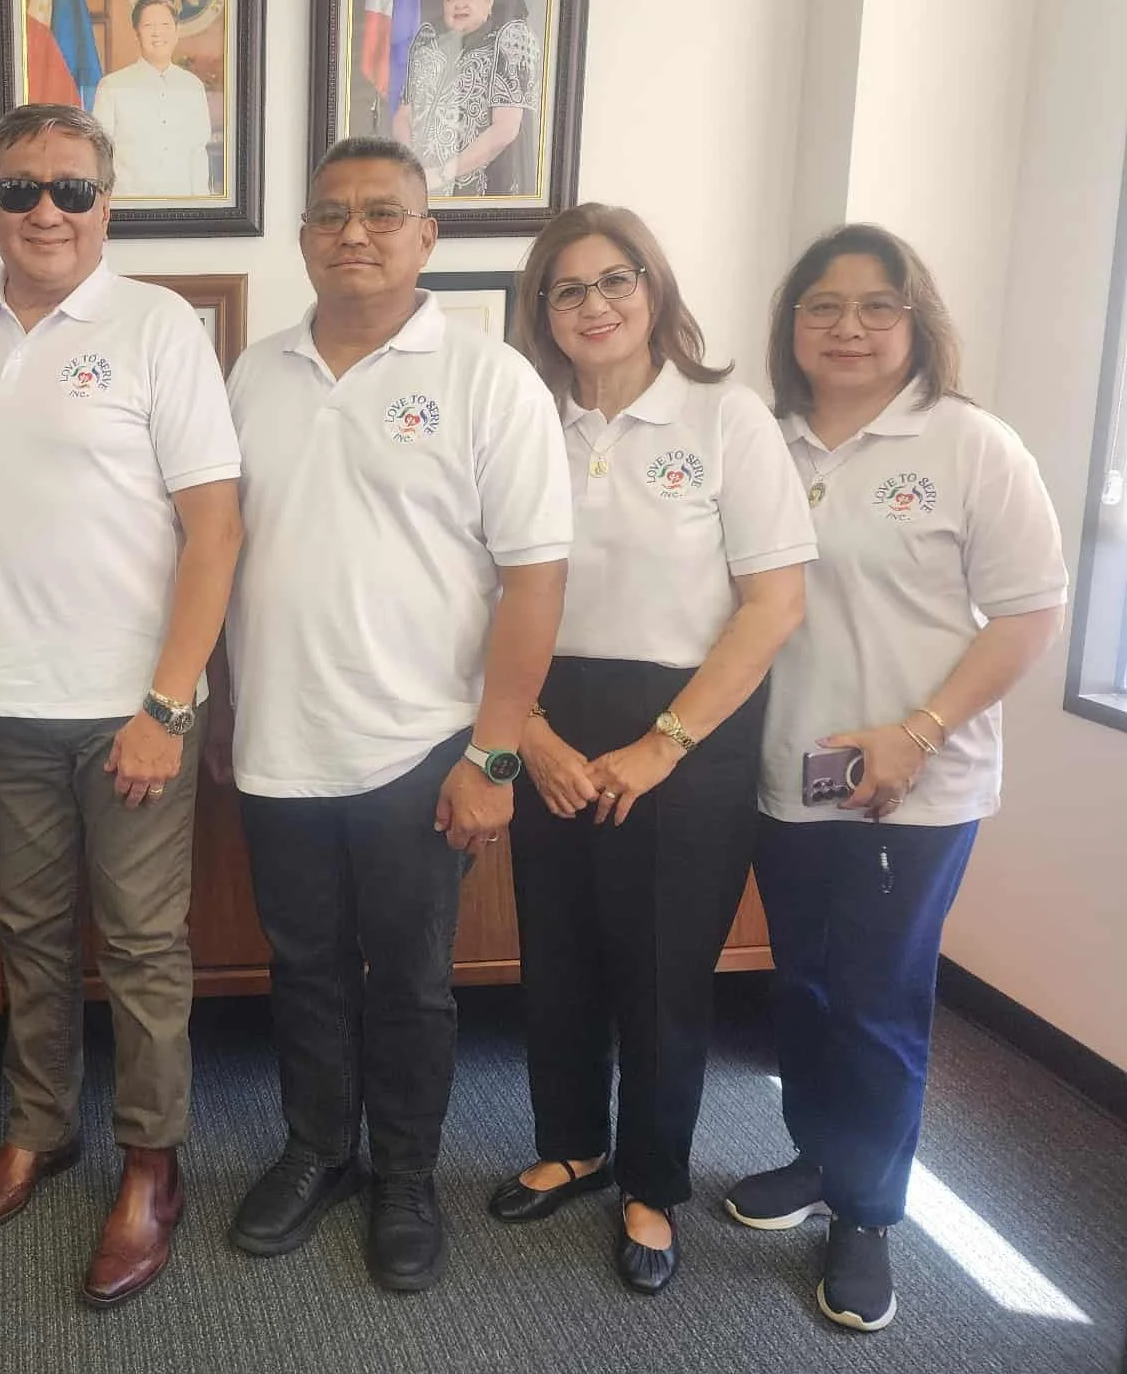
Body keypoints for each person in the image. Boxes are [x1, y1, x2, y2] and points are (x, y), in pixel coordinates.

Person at [217, 136, 570, 1294]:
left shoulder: (486, 377)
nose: (352, 233)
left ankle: (406, 1175)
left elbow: (533, 578)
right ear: (302, 237)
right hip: (278, 742)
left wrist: (493, 754)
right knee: (303, 967)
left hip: (420, 748)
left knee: (411, 981)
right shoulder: (252, 375)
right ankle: (319, 1148)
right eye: (329, 215)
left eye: (381, 213)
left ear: (428, 235)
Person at [0, 103, 242, 1306]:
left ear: (107, 203)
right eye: (18, 190)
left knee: (147, 946)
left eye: (68, 189)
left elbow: (214, 527)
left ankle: (150, 1162)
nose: (43, 210)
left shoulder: (158, 329)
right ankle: (39, 1127)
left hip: (129, 706)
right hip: (2, 703)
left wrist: (166, 705)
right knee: (30, 934)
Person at [726, 224, 1066, 1332]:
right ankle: (820, 1160)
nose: (847, 327)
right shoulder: (760, 441)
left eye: (875, 306)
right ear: (791, 325)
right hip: (789, 774)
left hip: (911, 784)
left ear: (915, 320)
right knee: (806, 986)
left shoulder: (969, 445)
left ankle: (867, 1214)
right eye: (821, 306)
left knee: (875, 1002)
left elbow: (1027, 615)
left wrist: (915, 730)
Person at [485, 203, 814, 1294]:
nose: (591, 306)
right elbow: (474, 591)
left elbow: (770, 606)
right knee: (560, 954)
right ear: (539, 312)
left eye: (612, 280)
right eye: (564, 290)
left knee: (662, 973)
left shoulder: (726, 419)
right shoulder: (519, 420)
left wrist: (660, 745)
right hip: (545, 715)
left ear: (654, 287)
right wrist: (524, 733)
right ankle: (571, 1143)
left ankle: (649, 1184)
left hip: (686, 731)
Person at [393, 0, 539, 199]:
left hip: (481, 192)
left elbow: (506, 128)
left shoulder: (508, 43)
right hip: (422, 189)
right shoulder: (427, 49)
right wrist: (412, 167)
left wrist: (441, 174)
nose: (458, 4)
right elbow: (403, 114)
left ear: (489, 0)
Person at [90, 0, 214, 199]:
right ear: (136, 34)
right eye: (148, 26)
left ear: (176, 31)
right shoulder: (112, 86)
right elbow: (100, 155)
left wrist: (202, 207)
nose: (158, 33)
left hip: (182, 209)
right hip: (129, 208)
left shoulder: (192, 87)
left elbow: (198, 153)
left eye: (165, 24)